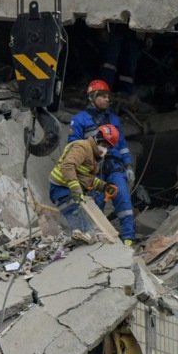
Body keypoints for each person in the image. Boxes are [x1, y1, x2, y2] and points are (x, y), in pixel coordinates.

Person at [67, 81, 136, 243]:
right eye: (103, 96)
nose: (107, 99)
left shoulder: (114, 119)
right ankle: (95, 240)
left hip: (114, 167)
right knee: (95, 206)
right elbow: (73, 146)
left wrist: (128, 165)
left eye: (108, 96)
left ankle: (129, 241)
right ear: (93, 97)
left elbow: (122, 145)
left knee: (124, 202)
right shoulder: (79, 120)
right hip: (93, 169)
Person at [50, 124, 134, 245]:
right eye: (104, 145)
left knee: (85, 227)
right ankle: (82, 253)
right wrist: (77, 190)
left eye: (108, 147)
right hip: (61, 189)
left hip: (68, 189)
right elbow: (67, 166)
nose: (104, 150)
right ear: (97, 139)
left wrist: (104, 186)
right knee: (81, 225)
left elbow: (85, 178)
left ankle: (82, 245)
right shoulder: (82, 148)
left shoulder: (93, 155)